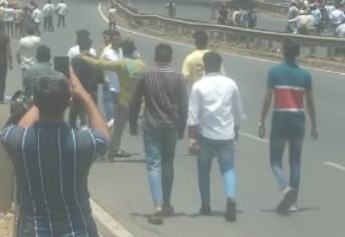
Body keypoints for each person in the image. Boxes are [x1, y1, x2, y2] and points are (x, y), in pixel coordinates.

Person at [2, 70, 108, 237]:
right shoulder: (81, 142)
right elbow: (103, 135)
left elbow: (18, 129)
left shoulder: (18, 141)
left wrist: (40, 102)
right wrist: (84, 95)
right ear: (68, 102)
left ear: (36, 102)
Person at [128, 43, 188, 225]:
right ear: (169, 58)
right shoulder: (178, 77)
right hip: (170, 126)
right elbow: (183, 105)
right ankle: (167, 202)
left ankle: (158, 205)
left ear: (155, 57)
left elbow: (135, 102)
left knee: (153, 165)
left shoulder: (145, 75)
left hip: (151, 125)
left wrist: (132, 124)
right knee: (168, 163)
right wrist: (181, 127)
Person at [258, 38, 319, 213]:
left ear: (283, 52)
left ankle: (285, 187)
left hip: (280, 120)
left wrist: (261, 120)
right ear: (298, 53)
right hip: (298, 120)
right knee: (295, 162)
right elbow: (310, 102)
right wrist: (314, 124)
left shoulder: (274, 72)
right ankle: (293, 203)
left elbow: (268, 98)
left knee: (275, 160)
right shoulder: (306, 75)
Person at [186, 51, 244, 222]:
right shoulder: (231, 83)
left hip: (205, 135)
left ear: (205, 65)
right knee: (228, 169)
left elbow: (193, 115)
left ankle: (205, 205)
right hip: (226, 134)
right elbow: (237, 111)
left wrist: (191, 138)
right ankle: (231, 199)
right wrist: (236, 130)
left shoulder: (198, 86)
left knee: (204, 170)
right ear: (220, 65)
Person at [81, 39, 144, 160]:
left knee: (118, 128)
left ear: (122, 50)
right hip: (138, 101)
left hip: (123, 100)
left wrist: (84, 58)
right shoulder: (141, 64)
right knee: (144, 127)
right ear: (134, 51)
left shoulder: (120, 64)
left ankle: (110, 154)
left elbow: (100, 64)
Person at [67, 30, 103, 130]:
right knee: (93, 117)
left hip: (77, 92)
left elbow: (69, 72)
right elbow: (101, 79)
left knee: (72, 119)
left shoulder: (74, 56)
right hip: (92, 93)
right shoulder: (95, 57)